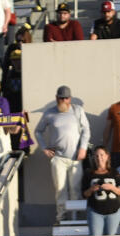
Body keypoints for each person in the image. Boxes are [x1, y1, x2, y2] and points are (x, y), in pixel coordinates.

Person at [35, 85, 91, 226]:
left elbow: (86, 131)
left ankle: (76, 219)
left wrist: (83, 148)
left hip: (76, 158)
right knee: (60, 189)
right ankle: (61, 218)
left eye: (66, 98)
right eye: (61, 98)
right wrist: (44, 148)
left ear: (70, 98)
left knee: (75, 189)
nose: (63, 100)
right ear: (56, 98)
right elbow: (38, 131)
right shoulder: (49, 113)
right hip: (58, 158)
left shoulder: (77, 111)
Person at [82, 145, 120, 236]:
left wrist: (112, 187)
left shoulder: (114, 172)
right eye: (96, 156)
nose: (99, 158)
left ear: (107, 156)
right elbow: (84, 194)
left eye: (101, 155)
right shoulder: (89, 173)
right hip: (95, 211)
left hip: (113, 212)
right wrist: (92, 189)